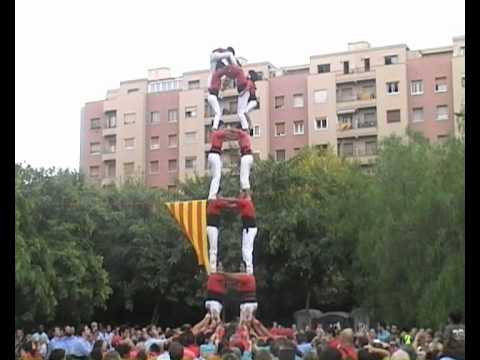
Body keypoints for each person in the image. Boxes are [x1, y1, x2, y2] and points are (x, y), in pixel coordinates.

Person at [228, 192, 257, 274]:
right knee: (245, 249)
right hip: (248, 228)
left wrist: (222, 198)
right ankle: (247, 268)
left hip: (249, 228)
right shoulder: (244, 203)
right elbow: (233, 206)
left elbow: (234, 200)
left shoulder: (246, 201)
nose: (239, 196)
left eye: (240, 194)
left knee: (247, 250)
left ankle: (249, 269)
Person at [207, 194, 236, 272]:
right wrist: (235, 205)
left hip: (211, 226)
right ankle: (212, 268)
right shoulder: (215, 202)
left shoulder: (212, 203)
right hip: (213, 227)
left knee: (213, 248)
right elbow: (227, 205)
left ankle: (212, 267)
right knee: (213, 249)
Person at [207, 128, 238, 200]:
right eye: (222, 126)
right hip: (215, 155)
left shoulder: (216, 134)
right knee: (217, 176)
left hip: (213, 155)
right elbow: (227, 134)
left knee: (216, 176)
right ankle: (212, 195)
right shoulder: (217, 133)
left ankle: (215, 194)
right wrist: (237, 132)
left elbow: (228, 137)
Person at [229, 128, 254, 195]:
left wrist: (228, 130)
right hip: (248, 157)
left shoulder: (243, 135)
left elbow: (237, 131)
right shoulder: (245, 137)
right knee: (244, 178)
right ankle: (244, 194)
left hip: (246, 157)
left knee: (244, 179)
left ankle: (247, 196)